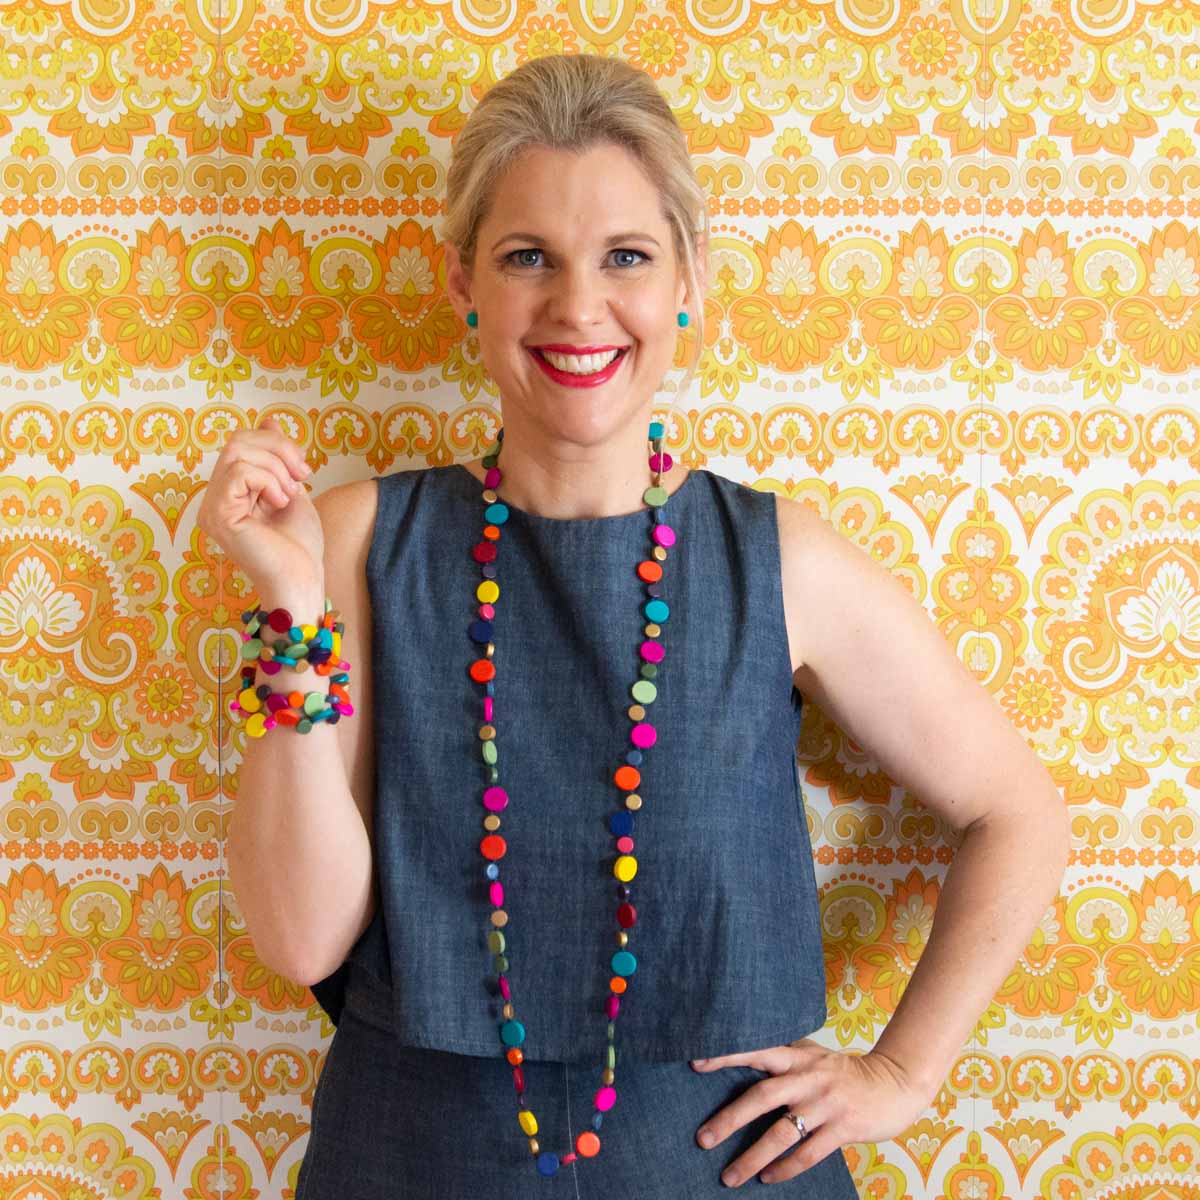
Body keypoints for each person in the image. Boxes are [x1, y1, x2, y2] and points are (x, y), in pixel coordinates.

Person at [198, 53, 1069, 1198]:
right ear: (462, 281)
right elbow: (302, 939)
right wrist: (289, 605)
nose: (578, 307)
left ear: (687, 277)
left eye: (626, 257)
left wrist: (903, 1071)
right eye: (527, 259)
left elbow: (1020, 810)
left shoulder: (780, 560)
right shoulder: (355, 542)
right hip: (412, 1164)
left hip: (718, 1169)